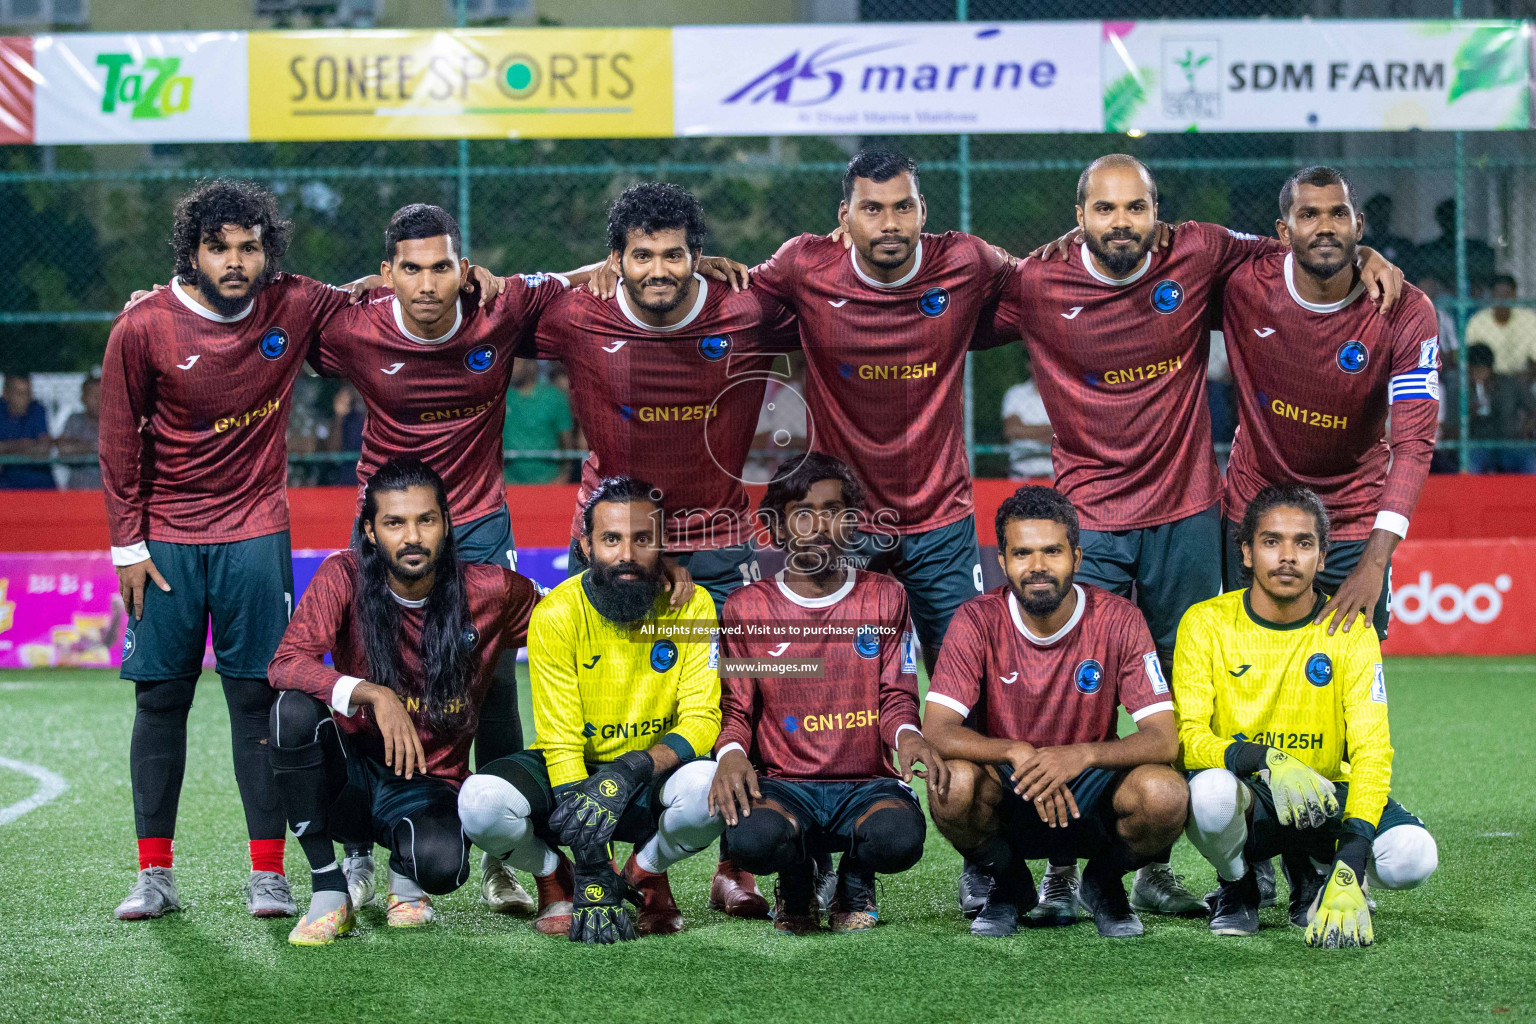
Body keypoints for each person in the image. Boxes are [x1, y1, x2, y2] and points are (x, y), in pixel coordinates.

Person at [982, 154, 1404, 917]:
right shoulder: (1037, 282)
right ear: (1079, 217)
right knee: (1072, 700)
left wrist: (1367, 252)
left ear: (1158, 213)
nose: (1121, 223)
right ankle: (1057, 867)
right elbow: (946, 313)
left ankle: (1172, 858)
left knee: (1188, 703)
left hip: (1183, 514)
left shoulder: (1201, 250)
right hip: (1092, 522)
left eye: (1135, 207)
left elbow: (1299, 251)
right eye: (1104, 209)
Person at [311, 202, 601, 913]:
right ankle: (358, 855)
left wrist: (706, 270)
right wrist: (156, 296)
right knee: (368, 679)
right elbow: (270, 313)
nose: (429, 283)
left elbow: (589, 279)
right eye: (410, 269)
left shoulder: (499, 310)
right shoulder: (354, 326)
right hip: (383, 527)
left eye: (443, 266)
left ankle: (502, 854)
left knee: (494, 685)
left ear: (463, 268)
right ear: (389, 275)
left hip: (474, 526)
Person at [528, 182, 799, 921]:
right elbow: (483, 303)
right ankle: (606, 864)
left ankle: (735, 866)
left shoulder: (746, 308)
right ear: (615, 259)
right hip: (614, 536)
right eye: (640, 255)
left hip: (717, 537)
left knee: (749, 701)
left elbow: (824, 294)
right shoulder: (576, 309)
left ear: (698, 257)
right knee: (609, 706)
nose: (658, 268)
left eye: (674, 254)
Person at [100, 179, 361, 921]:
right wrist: (127, 548)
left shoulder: (295, 302)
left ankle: (268, 875)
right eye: (219, 247)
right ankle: (155, 875)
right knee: (161, 701)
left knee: (257, 701)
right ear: (191, 253)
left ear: (268, 252)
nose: (236, 260)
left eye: (249, 246)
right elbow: (117, 443)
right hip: (166, 543)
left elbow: (373, 301)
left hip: (255, 533)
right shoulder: (143, 327)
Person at [753, 149, 1015, 677]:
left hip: (941, 519)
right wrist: (707, 266)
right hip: (842, 523)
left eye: (903, 207)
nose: (890, 223)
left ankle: (969, 761)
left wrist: (1074, 249)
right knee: (831, 679)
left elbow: (1044, 285)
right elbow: (725, 298)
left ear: (924, 211)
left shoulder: (965, 261)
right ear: (844, 216)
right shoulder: (804, 265)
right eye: (872, 209)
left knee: (965, 681)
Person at [267, 458, 540, 946]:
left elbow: (578, 620)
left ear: (446, 524)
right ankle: (329, 888)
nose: (412, 536)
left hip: (429, 782)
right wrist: (374, 693)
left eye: (425, 520)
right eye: (395, 522)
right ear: (371, 531)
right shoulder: (343, 575)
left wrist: (666, 600)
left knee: (443, 868)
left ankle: (404, 871)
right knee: (291, 711)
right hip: (351, 779)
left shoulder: (493, 590)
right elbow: (285, 662)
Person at [456, 477, 725, 943]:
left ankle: (646, 871)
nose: (626, 554)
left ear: (662, 544)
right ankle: (553, 873)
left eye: (642, 539)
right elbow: (560, 741)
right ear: (586, 544)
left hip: (648, 772)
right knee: (478, 804)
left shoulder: (693, 604)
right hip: (573, 772)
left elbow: (702, 718)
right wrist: (593, 869)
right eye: (611, 539)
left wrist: (629, 769)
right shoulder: (557, 613)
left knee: (710, 793)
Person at [1175, 485, 1438, 945]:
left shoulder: (1352, 629)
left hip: (1327, 796)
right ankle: (1238, 886)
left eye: (1303, 543)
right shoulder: (1205, 622)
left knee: (1414, 857)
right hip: (1252, 796)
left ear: (1322, 557)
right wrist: (1265, 759)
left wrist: (1352, 862)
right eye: (1271, 541)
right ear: (1247, 552)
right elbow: (1189, 737)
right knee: (1208, 794)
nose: (1287, 557)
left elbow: (1373, 749)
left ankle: (1317, 871)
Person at [923, 486, 1188, 939]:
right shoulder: (976, 620)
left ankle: (1103, 883)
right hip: (1010, 792)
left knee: (1164, 794)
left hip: (1090, 798)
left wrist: (1081, 755)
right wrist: (1016, 751)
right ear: (1002, 561)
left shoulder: (1118, 618)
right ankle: (1009, 884)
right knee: (954, 785)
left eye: (1052, 551)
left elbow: (1163, 738)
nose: (1038, 566)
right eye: (1022, 553)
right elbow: (937, 731)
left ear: (1077, 557)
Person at [710, 452, 946, 934]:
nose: (819, 524)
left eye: (833, 510)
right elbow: (736, 706)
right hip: (785, 784)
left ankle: (855, 881)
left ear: (852, 522)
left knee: (899, 838)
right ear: (776, 527)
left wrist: (908, 736)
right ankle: (797, 880)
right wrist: (730, 754)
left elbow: (897, 694)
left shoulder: (886, 596)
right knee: (750, 839)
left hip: (866, 785)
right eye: (803, 511)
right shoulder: (745, 607)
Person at [1222, 166, 1442, 642]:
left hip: (1352, 518)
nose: (1325, 226)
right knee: (1248, 674)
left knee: (1348, 685)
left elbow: (1414, 444)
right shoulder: (1243, 285)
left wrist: (1374, 563)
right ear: (1284, 231)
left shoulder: (1406, 310)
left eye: (1338, 214)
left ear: (1358, 225)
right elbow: (1161, 260)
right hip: (1256, 508)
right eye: (1309, 214)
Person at [1440, 343, 1536, 473]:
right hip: (1476, 446)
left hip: (1509, 443)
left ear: (1491, 368)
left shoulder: (1509, 384)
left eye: (1482, 370)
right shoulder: (1459, 389)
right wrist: (1468, 415)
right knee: (1469, 466)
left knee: (1530, 462)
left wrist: (1525, 431)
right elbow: (1449, 433)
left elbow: (1533, 409)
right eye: (1474, 370)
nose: (1478, 374)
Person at [502, 358, 573, 484]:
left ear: (531, 364)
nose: (512, 367)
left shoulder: (554, 397)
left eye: (517, 362)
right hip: (509, 484)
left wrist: (564, 476)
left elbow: (567, 444)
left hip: (551, 484)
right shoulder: (500, 399)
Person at [1465, 274, 1536, 378]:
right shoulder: (1477, 321)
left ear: (1515, 296)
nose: (1503, 299)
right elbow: (1471, 359)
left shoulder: (1530, 319)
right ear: (1492, 295)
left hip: (1522, 377)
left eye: (1507, 294)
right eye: (1499, 294)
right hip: (1490, 378)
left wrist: (1528, 375)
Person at [0, 372, 54, 490]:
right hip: (6, 486)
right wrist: (21, 445)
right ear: (6, 394)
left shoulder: (37, 409)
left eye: (28, 393)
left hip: (40, 485)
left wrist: (8, 449)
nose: (25, 398)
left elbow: (44, 447)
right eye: (19, 393)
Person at [1001, 374, 1053, 479]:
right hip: (1020, 476)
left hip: (1053, 476)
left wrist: (1025, 431)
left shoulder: (1061, 395)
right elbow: (1012, 430)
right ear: (1029, 364)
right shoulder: (1015, 394)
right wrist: (1049, 432)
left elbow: (1065, 433)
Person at [57, 376, 103, 490]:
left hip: (105, 494)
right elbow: (64, 448)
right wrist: (98, 446)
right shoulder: (74, 420)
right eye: (93, 395)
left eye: (102, 395)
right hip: (77, 492)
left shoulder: (116, 424)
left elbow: (117, 452)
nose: (98, 400)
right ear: (83, 398)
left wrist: (80, 446)